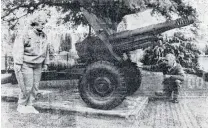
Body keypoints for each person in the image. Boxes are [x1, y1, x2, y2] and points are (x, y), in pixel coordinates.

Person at [13, 16, 49, 113]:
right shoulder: (25, 34)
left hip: (38, 64)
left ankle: (30, 105)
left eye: (44, 24)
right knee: (26, 86)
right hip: (26, 64)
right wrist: (18, 63)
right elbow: (19, 48)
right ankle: (21, 105)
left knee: (35, 87)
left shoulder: (44, 36)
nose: (43, 26)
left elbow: (46, 50)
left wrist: (45, 63)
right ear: (35, 23)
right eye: (42, 23)